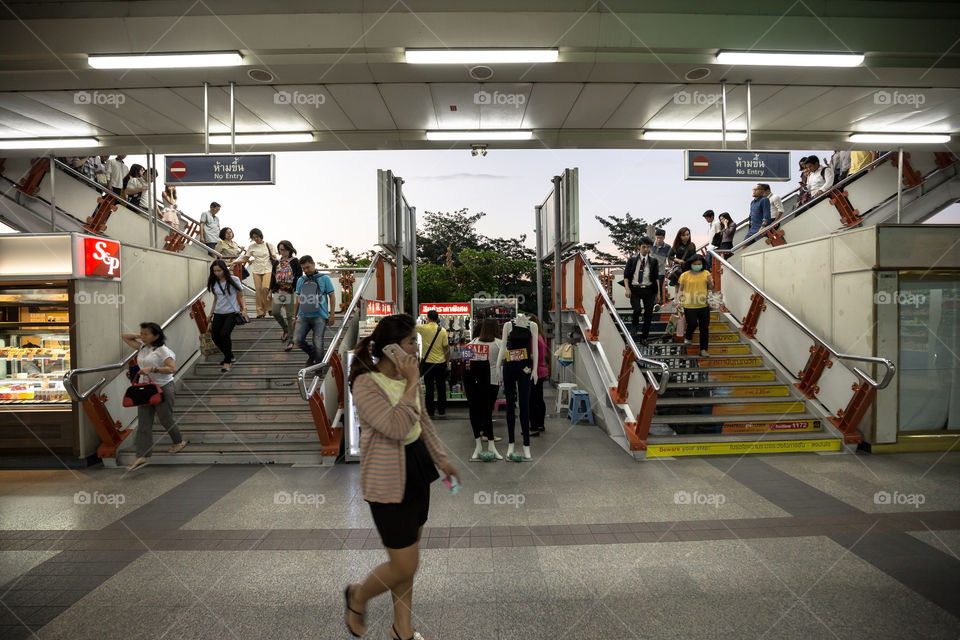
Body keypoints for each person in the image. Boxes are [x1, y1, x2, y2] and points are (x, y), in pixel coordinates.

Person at [344, 314, 460, 640]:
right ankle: (358, 596)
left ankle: (402, 630)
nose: (416, 349)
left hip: (418, 469)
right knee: (404, 565)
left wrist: (443, 460)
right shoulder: (365, 383)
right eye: (411, 342)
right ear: (392, 347)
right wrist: (411, 382)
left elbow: (422, 422)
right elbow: (395, 426)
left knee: (408, 556)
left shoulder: (407, 378)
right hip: (386, 480)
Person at [121, 322, 187, 471]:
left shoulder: (163, 351)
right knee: (144, 422)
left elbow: (172, 369)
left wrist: (153, 369)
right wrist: (142, 336)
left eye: (146, 334)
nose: (142, 336)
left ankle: (178, 441)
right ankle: (142, 456)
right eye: (141, 333)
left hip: (163, 387)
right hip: (146, 389)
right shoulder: (143, 347)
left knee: (165, 418)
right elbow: (124, 337)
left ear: (156, 336)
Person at [495, 314, 539, 462]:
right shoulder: (508, 325)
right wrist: (497, 366)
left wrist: (535, 370)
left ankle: (527, 445)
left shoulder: (532, 326)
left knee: (525, 406)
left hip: (525, 367)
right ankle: (511, 443)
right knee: (510, 406)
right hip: (509, 366)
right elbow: (503, 346)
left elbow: (536, 349)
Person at [464, 317, 503, 460]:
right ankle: (488, 438)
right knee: (487, 410)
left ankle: (480, 439)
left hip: (475, 382)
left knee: (477, 410)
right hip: (493, 380)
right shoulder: (499, 344)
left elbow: (466, 363)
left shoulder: (473, 342)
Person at [292, 255, 336, 366]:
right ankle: (313, 354)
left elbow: (332, 296)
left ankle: (319, 367)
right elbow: (297, 298)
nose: (306, 271)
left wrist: (332, 315)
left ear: (313, 264)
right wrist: (294, 316)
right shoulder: (301, 280)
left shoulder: (325, 278)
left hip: (320, 316)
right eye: (303, 269)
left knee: (318, 342)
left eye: (307, 267)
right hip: (303, 315)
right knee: (297, 340)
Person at [206, 259, 247, 373]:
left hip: (231, 313)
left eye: (219, 270)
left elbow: (241, 295)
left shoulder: (234, 280)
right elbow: (215, 300)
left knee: (224, 334)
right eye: (214, 271)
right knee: (215, 336)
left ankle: (227, 361)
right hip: (218, 313)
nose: (217, 273)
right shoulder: (214, 282)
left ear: (224, 269)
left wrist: (244, 309)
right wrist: (210, 313)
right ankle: (229, 355)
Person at [623, 236, 660, 345]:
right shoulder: (632, 260)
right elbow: (626, 276)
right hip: (635, 289)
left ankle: (644, 337)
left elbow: (656, 278)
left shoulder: (653, 261)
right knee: (637, 309)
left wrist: (658, 293)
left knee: (648, 315)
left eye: (648, 247)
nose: (646, 249)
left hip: (649, 290)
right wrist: (627, 288)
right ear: (639, 247)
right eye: (644, 247)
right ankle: (634, 325)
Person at [677, 255, 714, 357]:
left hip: (704, 305)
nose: (697, 266)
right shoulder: (684, 275)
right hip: (689, 305)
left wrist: (710, 281)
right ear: (690, 264)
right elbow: (680, 289)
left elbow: (712, 288)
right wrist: (678, 302)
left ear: (702, 264)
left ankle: (703, 350)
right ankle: (688, 337)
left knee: (704, 328)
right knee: (692, 323)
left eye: (699, 264)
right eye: (695, 264)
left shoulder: (706, 273)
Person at [415, 310, 449, 419]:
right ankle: (442, 410)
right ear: (437, 318)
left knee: (429, 388)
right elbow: (446, 348)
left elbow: (411, 326)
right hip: (440, 363)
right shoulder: (443, 331)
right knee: (441, 387)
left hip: (428, 364)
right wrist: (447, 362)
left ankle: (430, 411)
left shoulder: (423, 328)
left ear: (428, 318)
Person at [270, 240, 302, 350]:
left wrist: (298, 291)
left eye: (283, 249)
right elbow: (272, 278)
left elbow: (299, 276)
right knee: (275, 312)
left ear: (289, 249)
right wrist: (270, 291)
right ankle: (285, 329)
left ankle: (290, 340)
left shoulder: (295, 261)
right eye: (280, 249)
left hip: (291, 290)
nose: (281, 251)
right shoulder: (276, 263)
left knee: (290, 315)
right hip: (279, 290)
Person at [246, 228, 276, 318]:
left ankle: (270, 308)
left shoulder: (268, 245)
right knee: (258, 291)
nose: (255, 239)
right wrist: (234, 262)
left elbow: (274, 257)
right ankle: (260, 312)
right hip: (256, 271)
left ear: (260, 235)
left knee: (265, 288)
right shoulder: (251, 247)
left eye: (257, 236)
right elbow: (245, 258)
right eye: (253, 237)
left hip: (268, 269)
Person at [528, 314, 549, 436]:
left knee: (532, 401)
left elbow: (532, 355)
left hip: (533, 371)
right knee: (539, 399)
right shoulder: (542, 336)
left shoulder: (533, 338)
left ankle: (534, 427)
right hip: (542, 370)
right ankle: (540, 424)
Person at [651, 229, 671, 301]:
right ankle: (651, 305)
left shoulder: (667, 247)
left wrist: (671, 267)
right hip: (650, 271)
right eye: (657, 238)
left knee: (658, 289)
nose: (659, 240)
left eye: (661, 238)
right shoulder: (650, 245)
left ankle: (657, 305)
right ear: (655, 237)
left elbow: (669, 259)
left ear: (664, 238)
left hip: (660, 272)